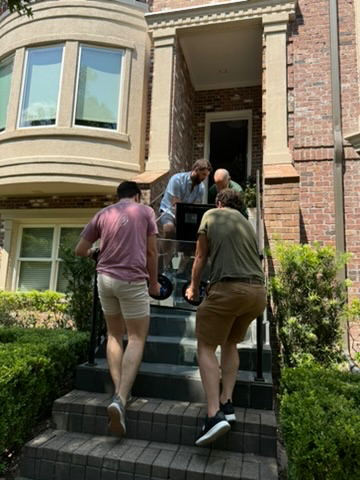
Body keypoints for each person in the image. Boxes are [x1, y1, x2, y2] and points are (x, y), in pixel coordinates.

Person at [75, 181, 161, 436]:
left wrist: (94, 252)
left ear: (118, 196)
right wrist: (154, 283)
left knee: (114, 334)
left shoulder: (104, 213)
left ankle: (118, 392)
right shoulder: (145, 212)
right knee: (135, 337)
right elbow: (152, 252)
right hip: (132, 280)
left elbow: (80, 250)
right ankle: (121, 398)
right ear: (136, 195)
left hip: (105, 280)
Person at [185, 189, 266, 446]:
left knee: (206, 346)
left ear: (219, 203)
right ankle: (227, 403)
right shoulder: (247, 223)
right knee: (230, 342)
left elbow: (200, 256)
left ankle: (213, 415)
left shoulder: (211, 215)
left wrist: (192, 287)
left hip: (228, 288)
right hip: (257, 293)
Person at [159, 159, 212, 239]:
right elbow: (176, 205)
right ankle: (165, 252)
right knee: (169, 229)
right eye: (203, 174)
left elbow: (195, 208)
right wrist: (181, 225)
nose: (204, 178)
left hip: (185, 214)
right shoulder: (177, 180)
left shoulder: (201, 188)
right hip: (169, 211)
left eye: (206, 176)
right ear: (196, 169)